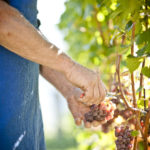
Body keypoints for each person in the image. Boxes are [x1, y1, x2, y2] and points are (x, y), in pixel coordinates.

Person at [0, 0, 106, 149]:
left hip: (28, 132)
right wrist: (71, 68)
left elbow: (29, 40)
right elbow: (3, 21)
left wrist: (70, 90)